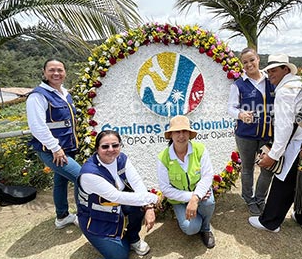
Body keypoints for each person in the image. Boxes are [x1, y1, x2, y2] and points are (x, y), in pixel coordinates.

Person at [248, 54, 302, 234]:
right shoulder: (301, 85)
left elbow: (283, 128)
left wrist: (273, 156)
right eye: (268, 71)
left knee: (283, 182)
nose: (270, 75)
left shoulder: (285, 91)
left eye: (274, 70)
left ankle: (269, 222)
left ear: (286, 69)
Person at [77, 130, 161, 258]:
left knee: (137, 203)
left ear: (120, 146)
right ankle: (118, 238)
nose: (111, 149)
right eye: (105, 146)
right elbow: (116, 196)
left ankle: (133, 238)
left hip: (116, 207)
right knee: (120, 256)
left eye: (115, 145)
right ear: (97, 149)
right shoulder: (89, 174)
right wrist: (153, 198)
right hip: (95, 217)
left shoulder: (121, 159)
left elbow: (137, 183)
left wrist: (149, 206)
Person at [26, 58, 81, 229]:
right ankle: (84, 215)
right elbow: (37, 126)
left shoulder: (65, 93)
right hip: (53, 151)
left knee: (60, 182)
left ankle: (62, 216)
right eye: (51, 70)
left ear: (65, 73)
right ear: (44, 72)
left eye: (60, 70)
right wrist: (55, 148)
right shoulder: (38, 96)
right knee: (82, 178)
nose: (56, 73)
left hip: (68, 148)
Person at [227, 47, 275, 215]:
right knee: (247, 168)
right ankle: (249, 199)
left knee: (268, 167)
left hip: (266, 134)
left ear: (258, 59)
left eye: (251, 60)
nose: (249, 64)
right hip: (245, 135)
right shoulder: (239, 84)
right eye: (245, 62)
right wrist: (240, 114)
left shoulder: (270, 81)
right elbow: (230, 108)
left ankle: (260, 199)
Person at [157, 115, 216, 248]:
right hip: (179, 200)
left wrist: (195, 198)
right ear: (171, 135)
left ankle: (206, 228)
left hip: (200, 195)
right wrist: (190, 197)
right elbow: (165, 188)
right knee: (191, 228)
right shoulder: (163, 157)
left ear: (189, 134)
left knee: (209, 202)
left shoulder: (200, 149)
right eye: (177, 131)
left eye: (185, 131)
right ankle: (197, 221)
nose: (181, 135)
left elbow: (207, 176)